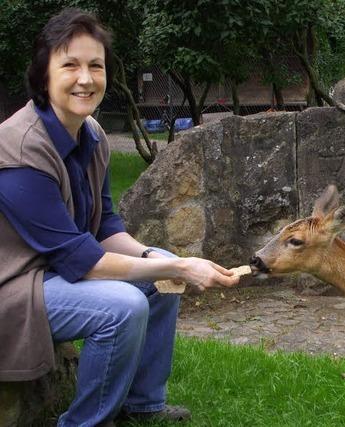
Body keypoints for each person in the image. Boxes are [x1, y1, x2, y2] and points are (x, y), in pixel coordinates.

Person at [0, 8, 239, 426]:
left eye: (96, 65)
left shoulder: (90, 134)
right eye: (69, 65)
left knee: (159, 273)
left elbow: (106, 227)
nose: (86, 78)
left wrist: (158, 259)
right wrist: (180, 264)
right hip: (16, 287)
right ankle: (85, 421)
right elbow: (80, 258)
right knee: (124, 305)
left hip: (55, 273)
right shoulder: (19, 150)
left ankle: (144, 404)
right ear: (43, 75)